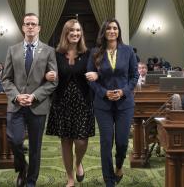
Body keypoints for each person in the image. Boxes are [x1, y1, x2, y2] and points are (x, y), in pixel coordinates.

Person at [2, 13, 58, 187]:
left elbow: (53, 81)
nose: (30, 27)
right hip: (16, 105)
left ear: (39, 28)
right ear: (23, 27)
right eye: (27, 24)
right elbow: (6, 79)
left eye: (34, 24)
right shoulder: (13, 50)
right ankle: (22, 167)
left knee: (35, 147)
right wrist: (17, 96)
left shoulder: (49, 51)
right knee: (15, 140)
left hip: (38, 105)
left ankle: (31, 181)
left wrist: (34, 96)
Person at [87, 19, 139, 187]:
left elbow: (134, 76)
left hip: (125, 103)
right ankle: (109, 180)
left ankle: (118, 167)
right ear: (104, 31)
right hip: (103, 104)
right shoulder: (95, 52)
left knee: (123, 141)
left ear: (119, 31)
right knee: (106, 141)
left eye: (115, 28)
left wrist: (123, 91)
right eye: (108, 28)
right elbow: (90, 78)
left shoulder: (128, 51)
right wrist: (104, 92)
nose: (112, 31)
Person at [45, 19, 97, 187]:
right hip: (62, 103)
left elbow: (98, 73)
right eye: (71, 31)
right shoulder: (55, 54)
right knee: (66, 141)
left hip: (83, 102)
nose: (75, 33)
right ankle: (70, 177)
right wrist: (47, 76)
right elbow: (47, 72)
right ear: (65, 34)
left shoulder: (89, 54)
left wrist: (96, 75)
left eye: (78, 30)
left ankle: (78, 162)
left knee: (81, 141)